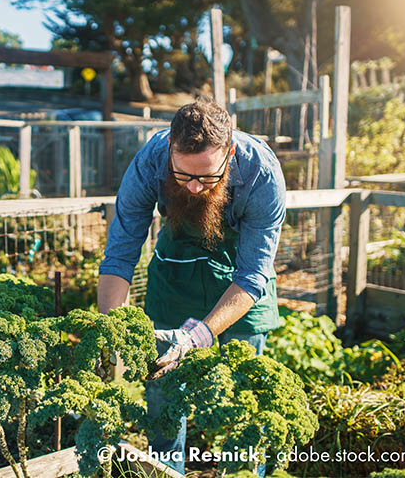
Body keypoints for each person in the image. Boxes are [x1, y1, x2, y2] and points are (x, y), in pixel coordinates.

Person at [97, 99, 286, 475]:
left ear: (229, 153)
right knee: (164, 400)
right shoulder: (151, 161)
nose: (196, 187)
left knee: (243, 402)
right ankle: (166, 471)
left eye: (208, 177)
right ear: (170, 150)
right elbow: (120, 254)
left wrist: (197, 336)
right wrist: (111, 329)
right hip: (175, 274)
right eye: (184, 176)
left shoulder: (261, 173)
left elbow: (252, 275)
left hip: (238, 287)